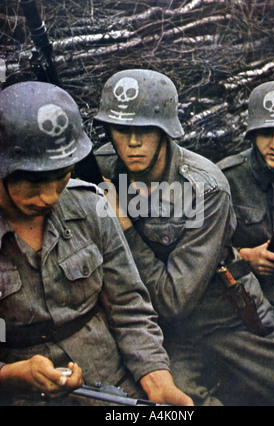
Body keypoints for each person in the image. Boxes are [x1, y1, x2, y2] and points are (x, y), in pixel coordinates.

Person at [93, 69, 274, 406]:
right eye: (121, 130)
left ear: (165, 132)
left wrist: (125, 226)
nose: (132, 143)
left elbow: (173, 300)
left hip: (227, 316)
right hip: (162, 335)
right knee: (175, 407)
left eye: (144, 130)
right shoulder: (100, 169)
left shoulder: (206, 188)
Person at [0, 81, 194, 407]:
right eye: (33, 180)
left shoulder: (92, 206)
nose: (49, 196)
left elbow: (129, 307)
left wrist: (156, 379)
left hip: (110, 385)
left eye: (62, 175)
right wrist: (9, 376)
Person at [218, 80, 274, 350]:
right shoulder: (226, 179)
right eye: (266, 135)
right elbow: (200, 251)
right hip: (247, 298)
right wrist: (245, 257)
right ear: (252, 136)